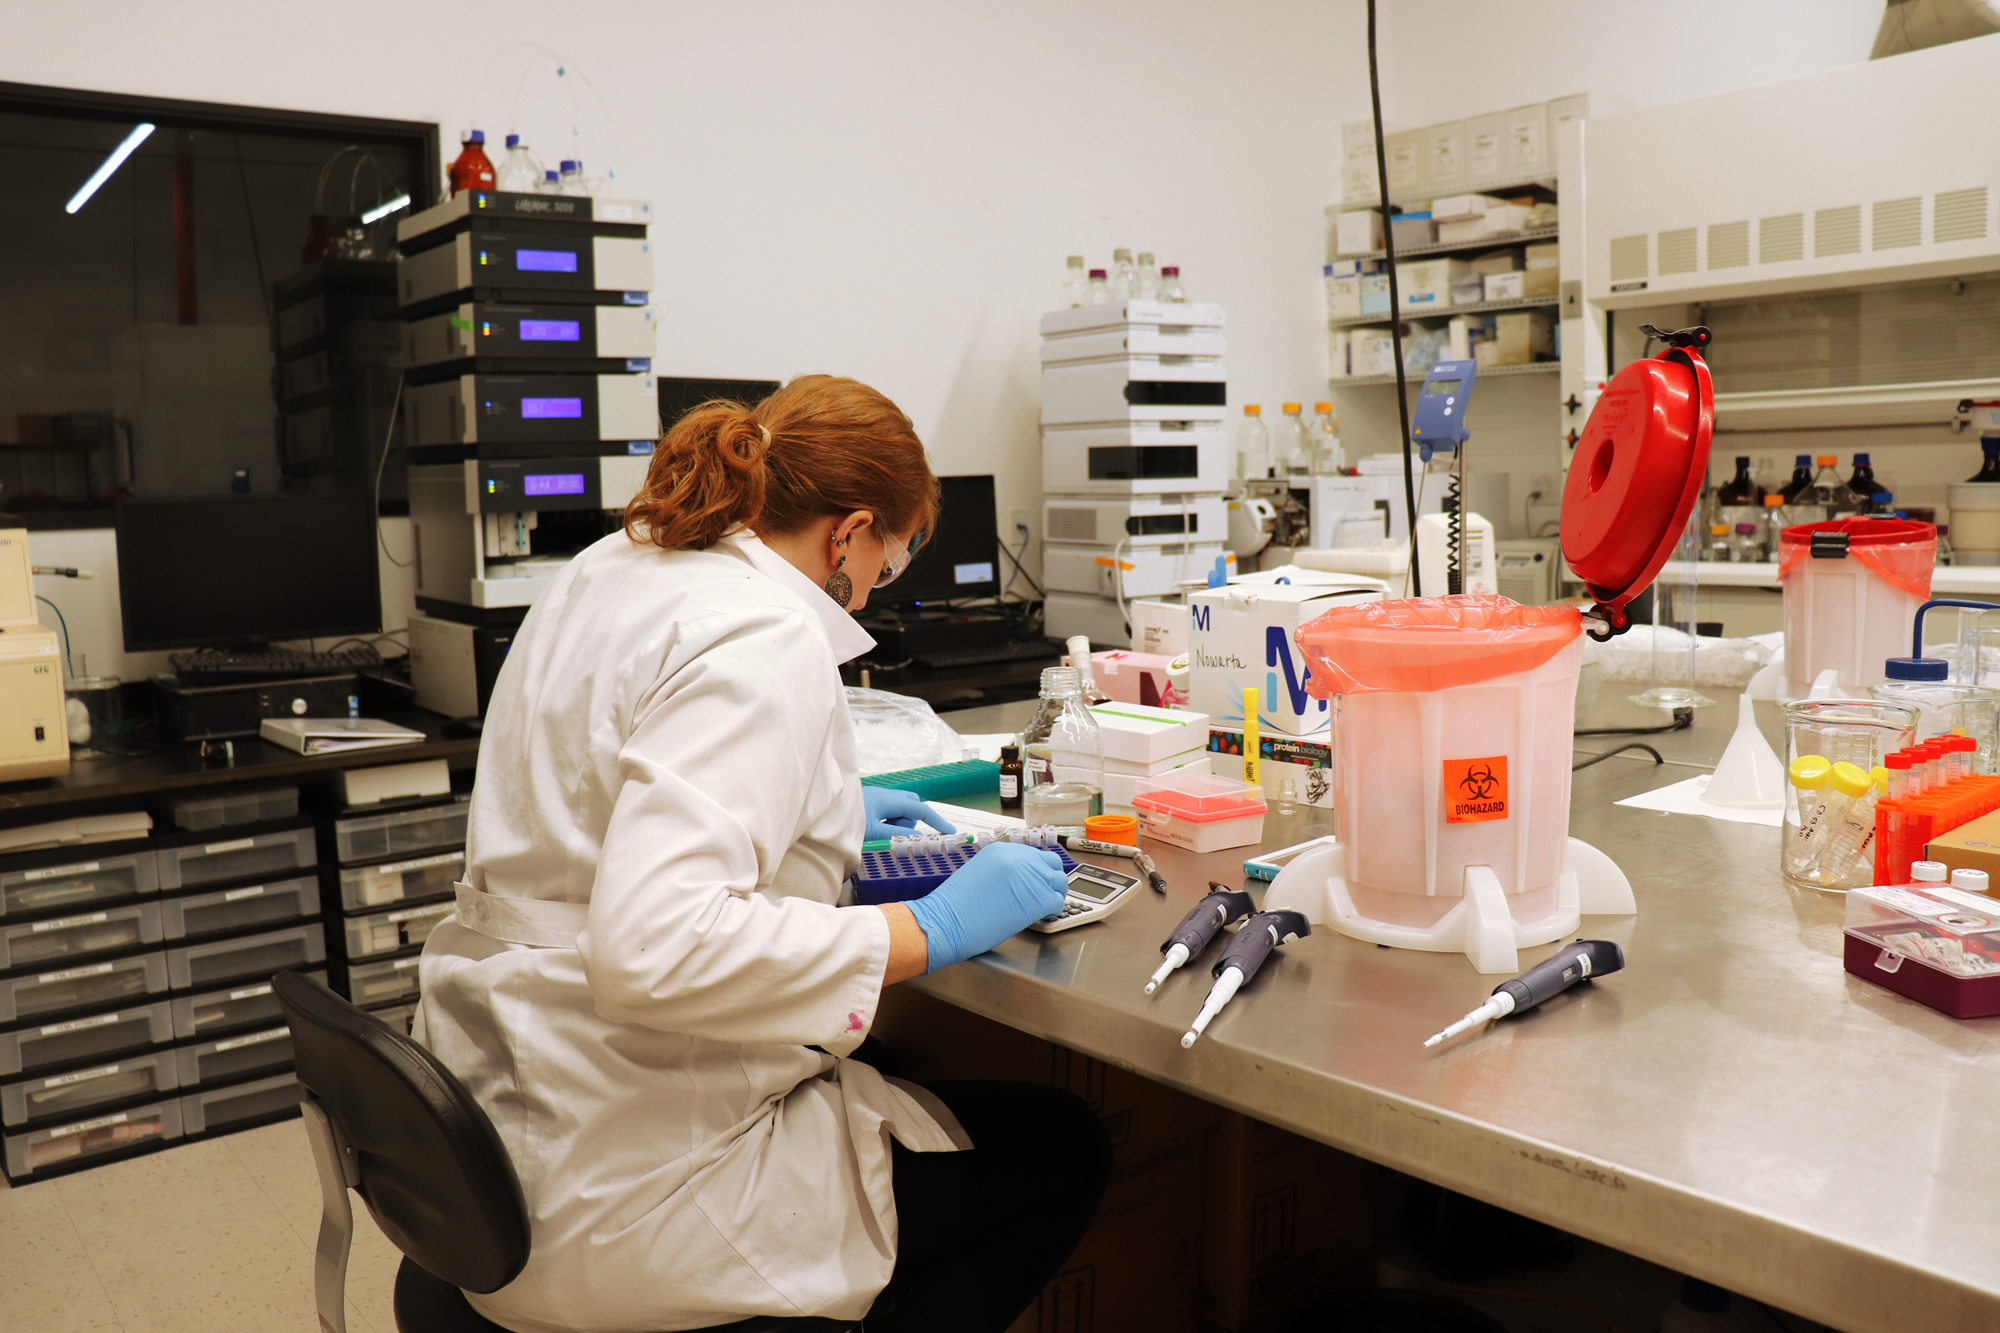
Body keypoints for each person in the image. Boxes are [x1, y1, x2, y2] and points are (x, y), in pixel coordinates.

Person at [416, 374, 1110, 1333]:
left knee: (902, 1077)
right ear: (848, 531)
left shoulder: (614, 564)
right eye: (889, 564)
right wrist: (927, 926)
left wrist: (815, 815)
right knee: (1063, 1150)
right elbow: (656, 946)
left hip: (491, 1123)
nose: (874, 591)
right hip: (623, 1171)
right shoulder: (762, 633)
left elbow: (600, 798)